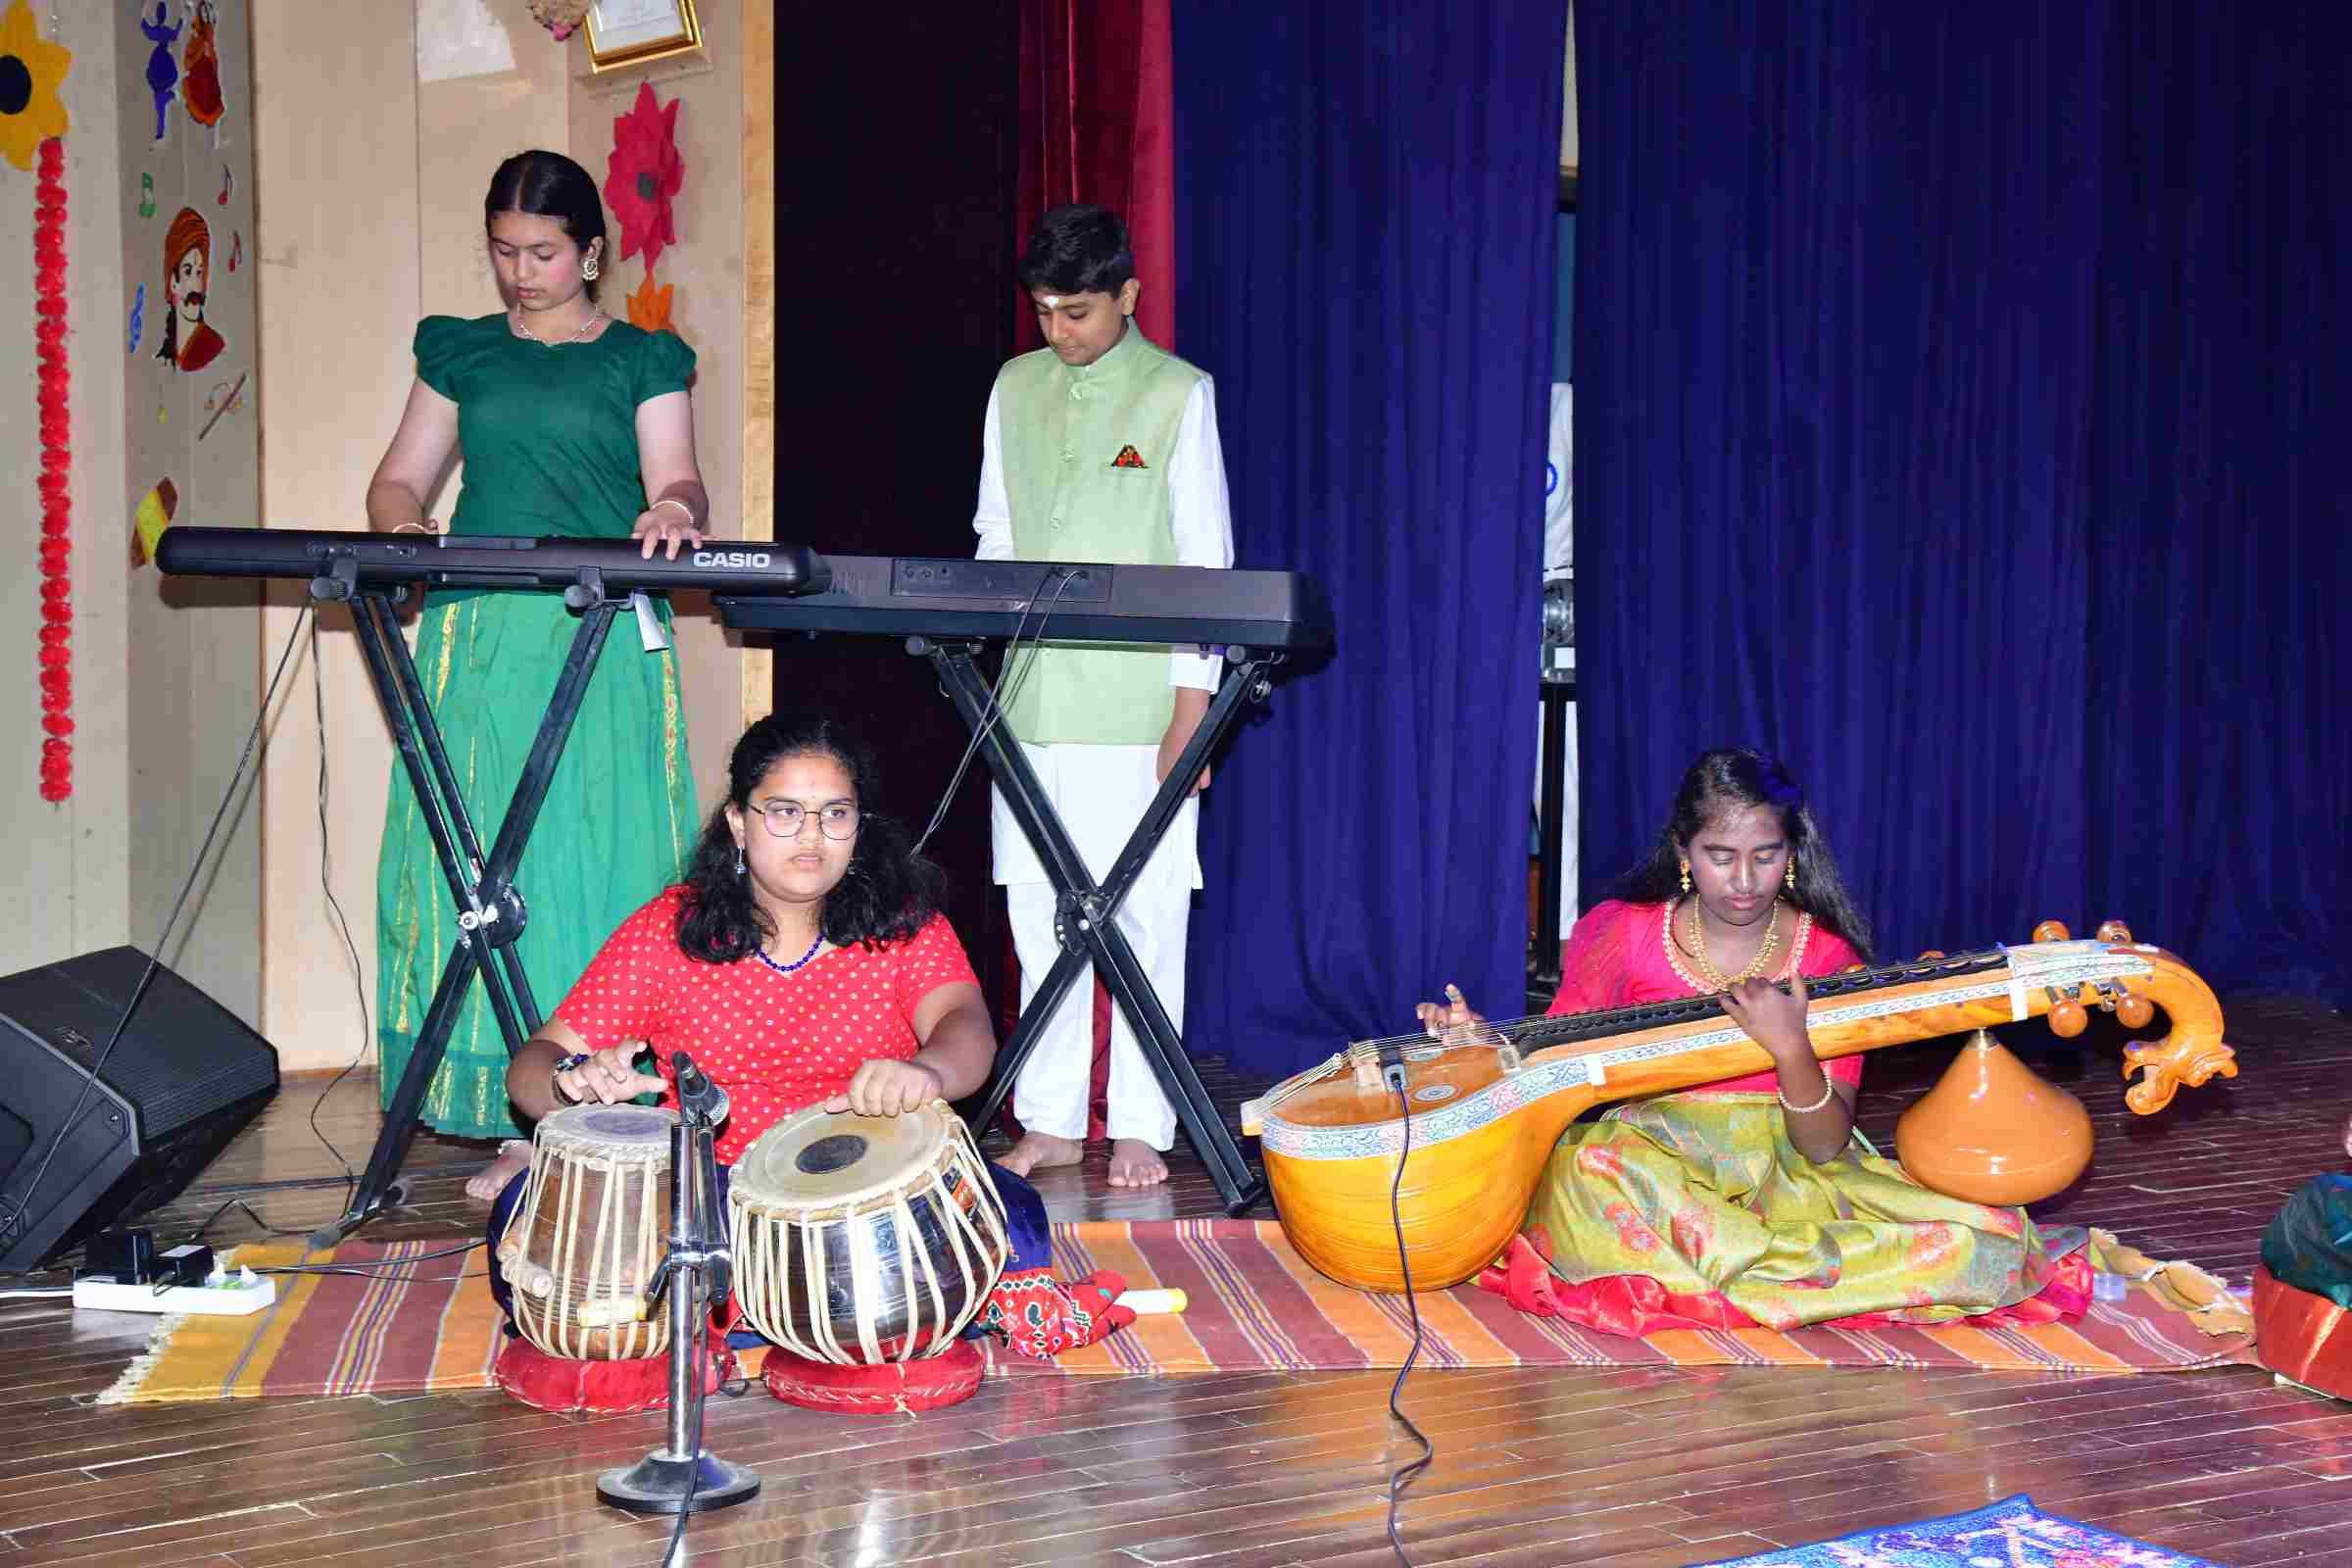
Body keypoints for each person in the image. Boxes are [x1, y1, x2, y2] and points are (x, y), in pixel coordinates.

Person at [486, 712, 1130, 1373]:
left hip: (872, 1197)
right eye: (785, 812)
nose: (812, 836)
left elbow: (965, 1024)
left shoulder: (901, 923)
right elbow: (532, 1066)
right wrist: (572, 1082)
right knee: (528, 1211)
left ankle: (734, 1321)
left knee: (1007, 1205)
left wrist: (929, 1071)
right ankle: (855, 1317)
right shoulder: (669, 930)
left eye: (835, 814)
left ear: (859, 826)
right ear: (739, 822)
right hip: (715, 1194)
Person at [1417, 748, 2091, 1335]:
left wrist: (1790, 1048)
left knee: (1979, 1245)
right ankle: (1794, 1277)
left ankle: (1728, 1272)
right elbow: (1551, 1059)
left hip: (1784, 1174)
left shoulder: (1826, 958)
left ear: (1791, 855)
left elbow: (1824, 1146)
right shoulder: (1623, 934)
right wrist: (1480, 1043)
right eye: (1721, 857)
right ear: (1684, 853)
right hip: (1652, 1164)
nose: (1744, 881)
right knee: (1586, 1170)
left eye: (1765, 856)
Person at [366, 150, 707, 1202]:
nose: (522, 272)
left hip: (597, 632)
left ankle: (587, 1107)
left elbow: (678, 478)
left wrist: (672, 511)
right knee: (483, 864)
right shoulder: (461, 351)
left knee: (591, 858)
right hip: (480, 637)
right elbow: (399, 480)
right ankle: (505, 1106)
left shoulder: (642, 358)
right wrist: (403, 529)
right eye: (505, 252)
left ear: (591, 252)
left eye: (544, 253)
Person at [975, 204, 1235, 1190]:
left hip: (1141, 708)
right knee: (1037, 910)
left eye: (1077, 311)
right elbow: (996, 534)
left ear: (1127, 295)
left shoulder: (1178, 393)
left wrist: (1191, 711)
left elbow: (1205, 564)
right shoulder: (1013, 386)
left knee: (1144, 915)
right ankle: (1046, 1116)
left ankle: (1138, 1122)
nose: (1060, 331)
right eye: (1044, 311)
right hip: (1031, 704)